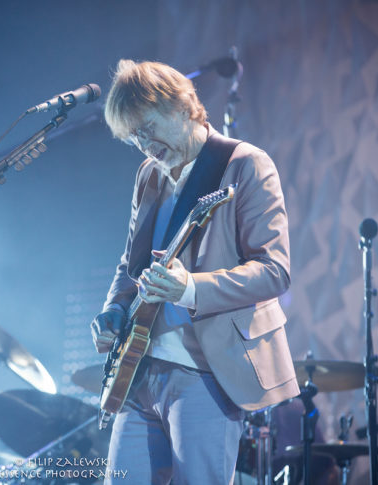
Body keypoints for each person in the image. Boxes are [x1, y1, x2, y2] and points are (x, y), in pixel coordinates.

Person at [90, 59, 300, 484]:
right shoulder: (149, 175)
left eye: (147, 127)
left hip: (206, 370)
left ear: (183, 106)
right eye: (133, 136)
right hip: (140, 368)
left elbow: (274, 270)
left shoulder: (245, 165)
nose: (144, 143)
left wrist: (190, 289)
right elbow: (129, 262)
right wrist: (114, 307)